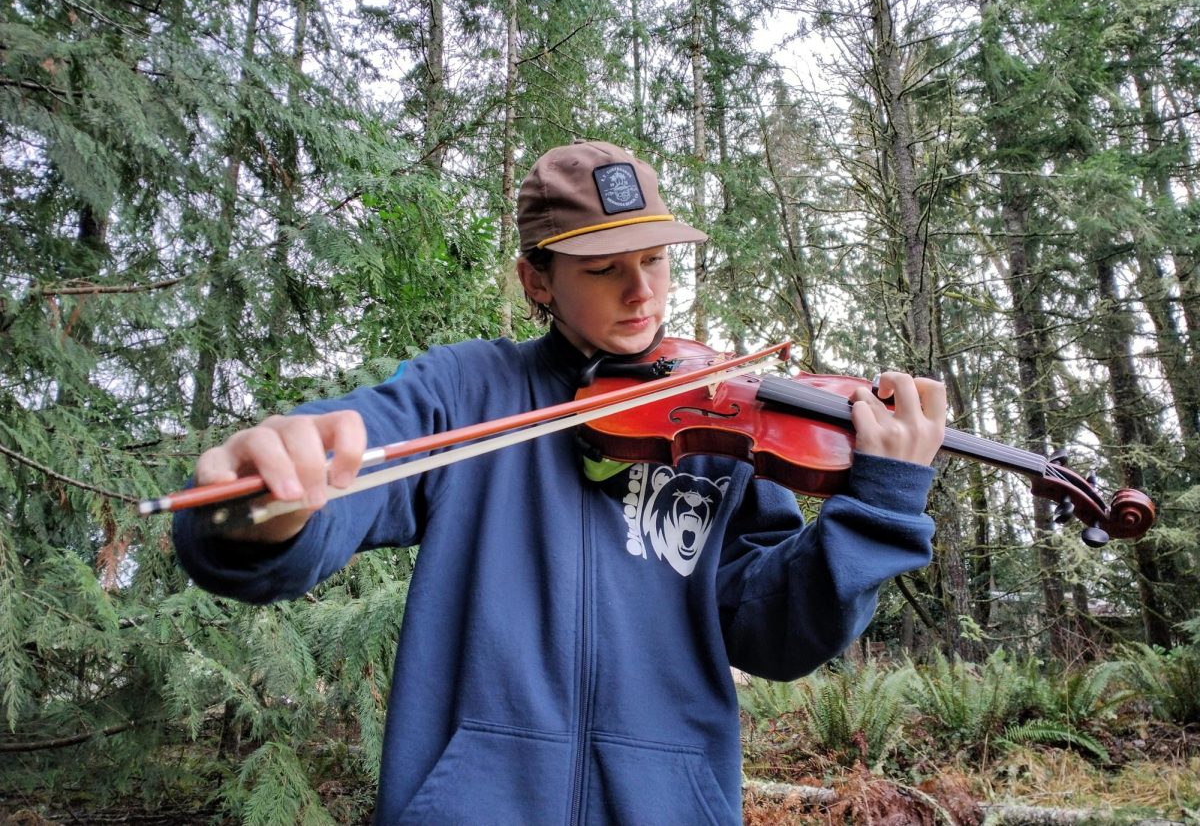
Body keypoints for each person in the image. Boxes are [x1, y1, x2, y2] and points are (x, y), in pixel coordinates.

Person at [173, 139, 946, 825]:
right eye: (605, 268)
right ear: (536, 281)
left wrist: (877, 504)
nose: (640, 291)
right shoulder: (464, 390)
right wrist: (270, 498)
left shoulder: (717, 427)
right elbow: (348, 474)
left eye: (655, 259)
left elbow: (776, 635)